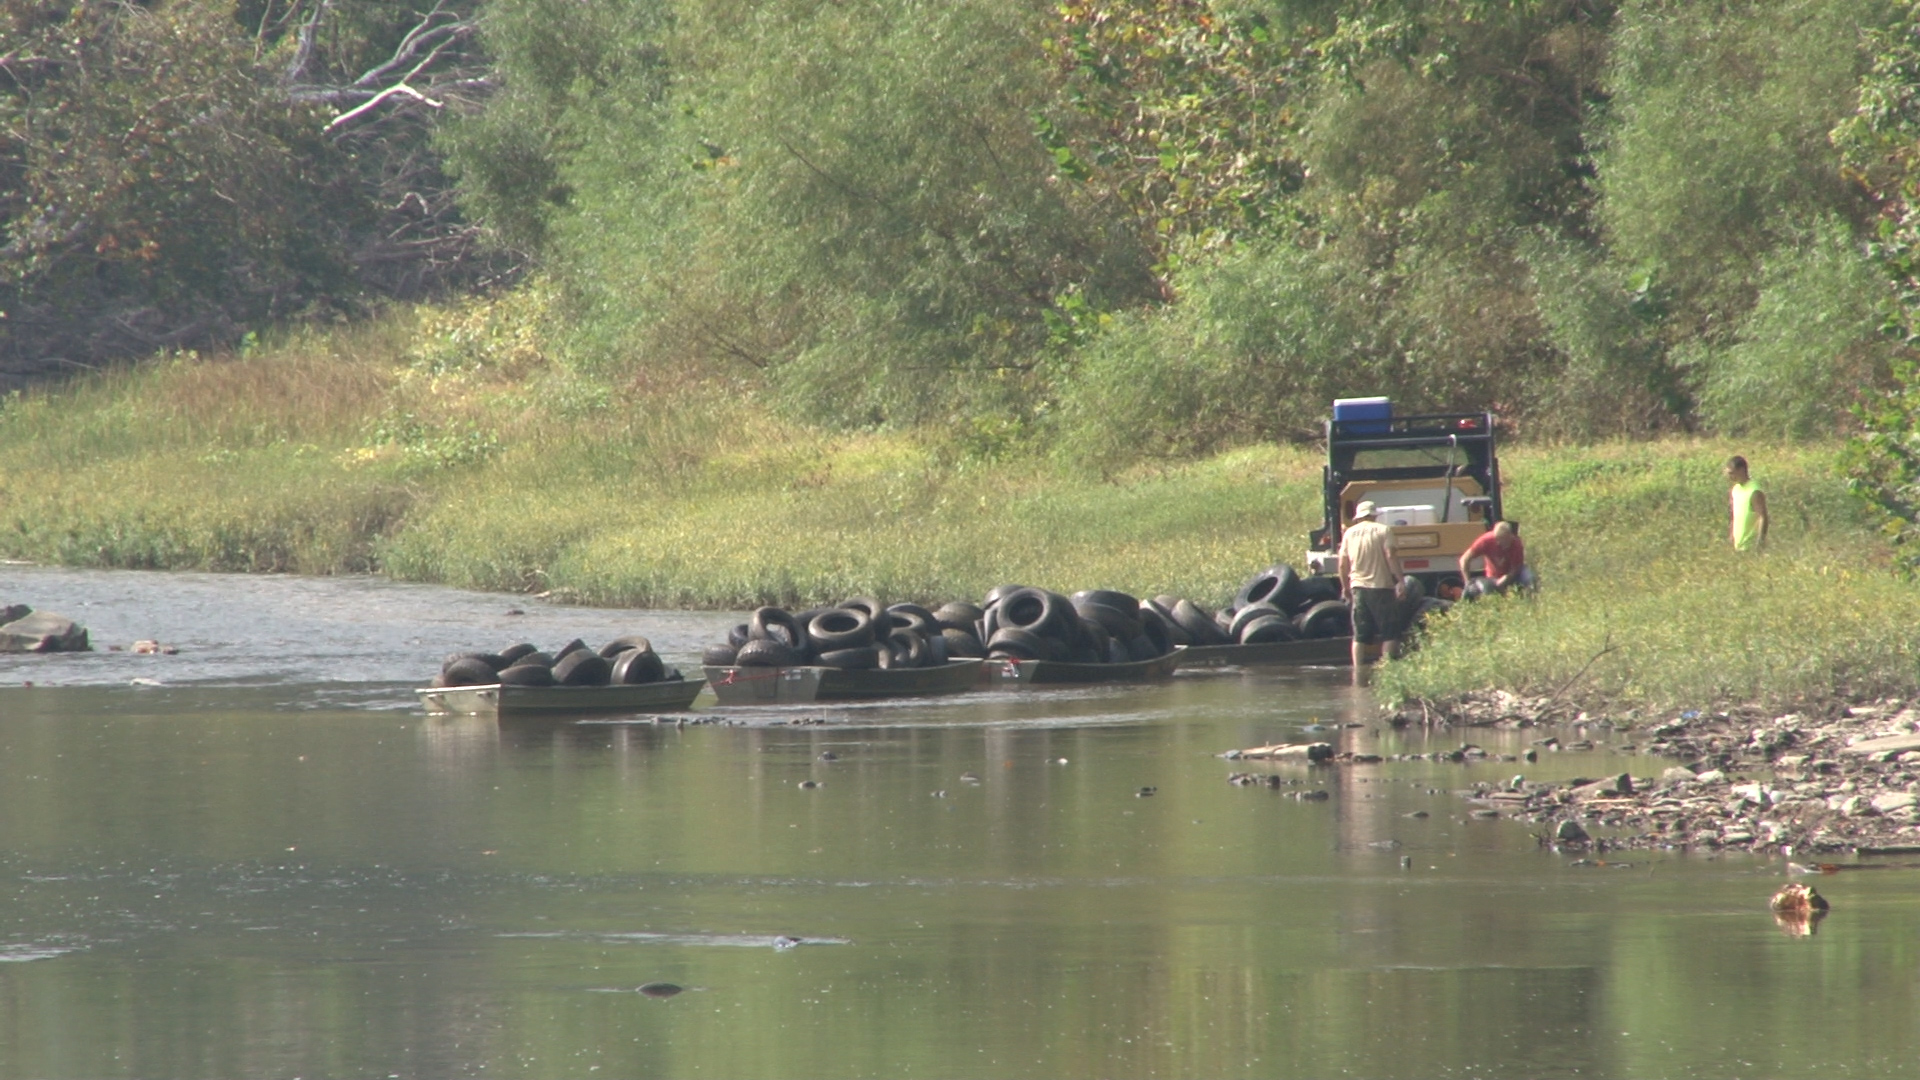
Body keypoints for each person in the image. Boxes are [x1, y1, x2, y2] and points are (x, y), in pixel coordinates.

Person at [1337, 499, 1400, 682]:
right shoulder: (1383, 530)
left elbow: (1342, 564)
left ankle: (1358, 673)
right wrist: (1400, 581)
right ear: (1374, 515)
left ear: (1358, 517)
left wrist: (1345, 587)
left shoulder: (1349, 534)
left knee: (1359, 635)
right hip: (1381, 587)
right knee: (1390, 632)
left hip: (1358, 588)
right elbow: (1391, 557)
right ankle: (1388, 672)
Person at [1458, 520, 1534, 598]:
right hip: (1492, 577)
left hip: (1512, 575)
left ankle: (1530, 597)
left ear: (1510, 536)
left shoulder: (1517, 544)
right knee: (1483, 590)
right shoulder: (1486, 541)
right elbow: (1464, 559)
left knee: (1529, 577)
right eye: (1497, 540)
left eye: (1504, 540)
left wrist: (1505, 578)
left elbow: (1515, 569)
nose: (1499, 543)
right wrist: (1467, 582)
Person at [1726, 455, 1768, 551]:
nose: (1730, 477)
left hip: (1750, 546)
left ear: (1741, 470)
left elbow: (1763, 517)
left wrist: (1760, 543)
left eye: (1732, 473)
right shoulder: (1735, 489)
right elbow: (1735, 515)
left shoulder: (1754, 491)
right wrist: (1731, 536)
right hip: (1738, 545)